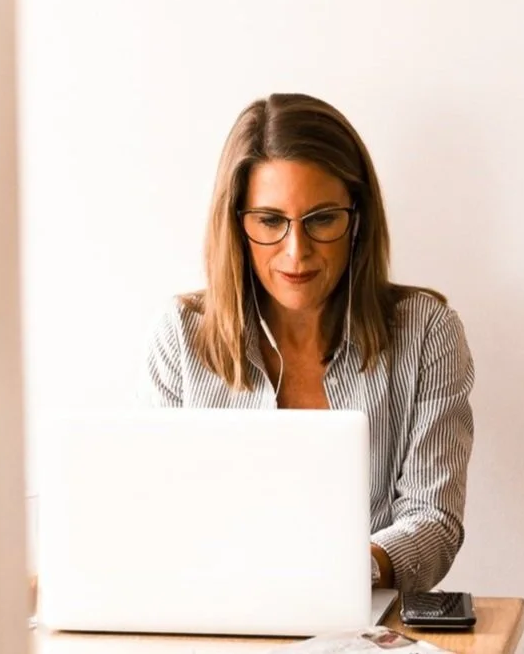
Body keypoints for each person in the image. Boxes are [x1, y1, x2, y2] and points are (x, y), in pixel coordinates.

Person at [139, 93, 475, 594]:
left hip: (360, 629)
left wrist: (339, 576)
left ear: (356, 218)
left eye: (321, 219)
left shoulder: (427, 333)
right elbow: (158, 516)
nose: (297, 252)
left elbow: (433, 520)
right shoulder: (182, 335)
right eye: (270, 221)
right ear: (237, 223)